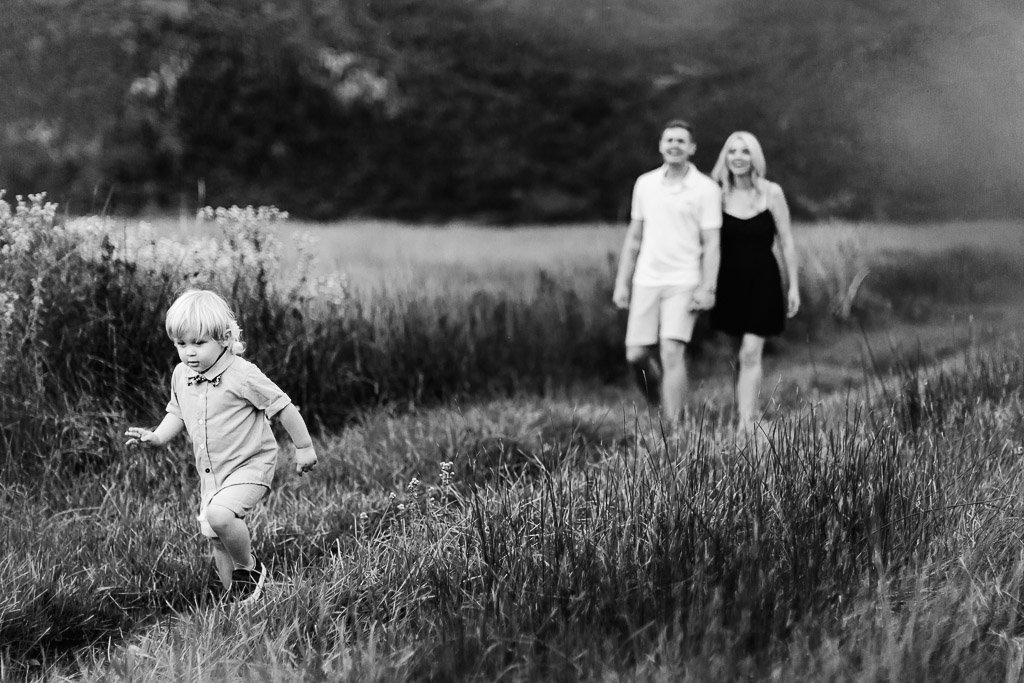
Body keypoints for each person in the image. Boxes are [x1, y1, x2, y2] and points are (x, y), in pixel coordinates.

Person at [125, 289, 318, 604]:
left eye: (199, 343)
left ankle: (249, 567)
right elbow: (177, 411)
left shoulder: (242, 374)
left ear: (224, 338)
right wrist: (157, 437)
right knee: (216, 538)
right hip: (213, 473)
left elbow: (282, 406)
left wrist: (305, 447)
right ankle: (239, 599)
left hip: (251, 464)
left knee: (220, 515)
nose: (189, 353)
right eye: (181, 344)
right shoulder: (181, 375)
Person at [613, 119, 722, 426]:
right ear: (661, 145)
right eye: (669, 140)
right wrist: (622, 282)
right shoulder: (645, 184)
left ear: (692, 148)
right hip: (646, 278)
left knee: (671, 351)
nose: (674, 145)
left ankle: (673, 429)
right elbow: (634, 238)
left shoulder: (706, 189)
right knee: (635, 355)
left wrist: (707, 287)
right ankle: (659, 404)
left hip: (684, 280)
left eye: (681, 141)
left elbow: (712, 243)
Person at [708, 131, 800, 444]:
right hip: (728, 282)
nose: (737, 157)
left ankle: (746, 423)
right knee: (737, 354)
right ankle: (746, 410)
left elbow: (786, 241)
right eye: (732, 151)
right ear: (725, 157)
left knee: (750, 352)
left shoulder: (771, 193)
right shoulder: (715, 195)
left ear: (754, 157)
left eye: (744, 151)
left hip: (763, 280)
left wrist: (794, 287)